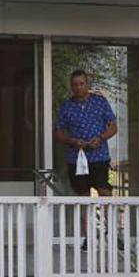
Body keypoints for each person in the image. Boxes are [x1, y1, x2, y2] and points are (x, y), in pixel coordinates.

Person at [55, 69, 119, 197]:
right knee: (81, 195)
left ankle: (108, 217)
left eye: (81, 83)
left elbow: (113, 126)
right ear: (71, 86)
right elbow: (58, 132)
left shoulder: (100, 102)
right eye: (75, 84)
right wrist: (72, 141)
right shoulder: (66, 106)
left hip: (99, 156)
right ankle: (83, 218)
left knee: (104, 191)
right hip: (77, 158)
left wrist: (101, 138)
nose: (78, 87)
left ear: (87, 84)